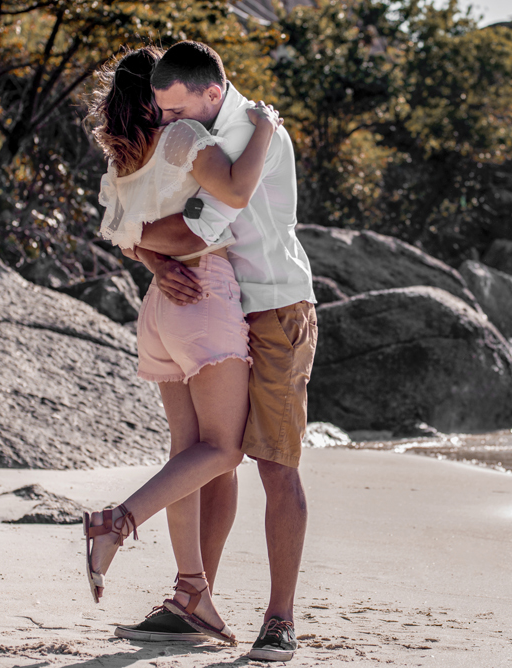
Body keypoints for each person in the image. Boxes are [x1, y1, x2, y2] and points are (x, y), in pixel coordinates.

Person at [108, 41, 317, 662]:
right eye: (162, 112)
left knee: (276, 465)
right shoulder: (202, 136)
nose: (168, 125)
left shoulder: (252, 138)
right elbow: (151, 222)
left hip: (275, 309)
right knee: (214, 459)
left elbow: (197, 224)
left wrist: (141, 242)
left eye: (175, 112)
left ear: (211, 94)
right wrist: (144, 250)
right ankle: (193, 600)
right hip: (226, 305)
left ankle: (279, 620)